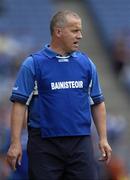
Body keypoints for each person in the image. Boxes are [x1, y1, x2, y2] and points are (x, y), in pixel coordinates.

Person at [6, 10, 112, 180]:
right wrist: (15, 142)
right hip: (44, 146)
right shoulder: (33, 64)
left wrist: (103, 138)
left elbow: (97, 102)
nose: (80, 36)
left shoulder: (86, 64)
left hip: (80, 144)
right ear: (58, 32)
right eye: (75, 30)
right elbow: (19, 104)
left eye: (81, 31)